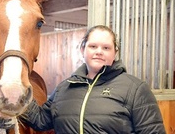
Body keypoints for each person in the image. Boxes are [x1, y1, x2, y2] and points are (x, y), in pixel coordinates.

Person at [20, 25, 166, 133]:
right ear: (83, 50)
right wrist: (19, 88)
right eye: (93, 46)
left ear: (115, 53)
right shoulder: (64, 88)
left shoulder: (136, 89)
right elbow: (40, 120)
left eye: (106, 48)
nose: (99, 52)